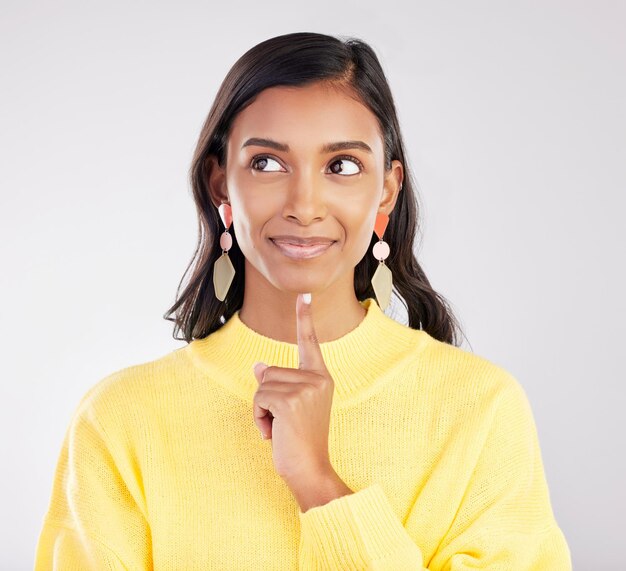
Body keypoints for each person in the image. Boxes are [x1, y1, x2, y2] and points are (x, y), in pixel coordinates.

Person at [34, 32, 572, 570]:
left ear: (387, 188)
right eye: (267, 163)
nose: (305, 205)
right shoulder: (121, 418)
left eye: (341, 166)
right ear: (220, 182)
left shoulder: (480, 409)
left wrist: (318, 482)